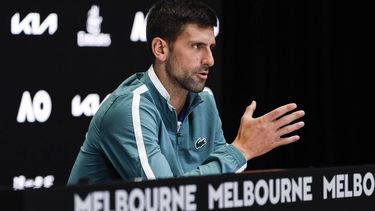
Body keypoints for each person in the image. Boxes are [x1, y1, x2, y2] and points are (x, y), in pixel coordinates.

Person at [67, 0, 305, 185]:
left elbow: (219, 187)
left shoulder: (205, 101)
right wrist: (242, 149)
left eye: (211, 47)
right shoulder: (130, 108)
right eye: (196, 46)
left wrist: (238, 153)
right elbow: (165, 197)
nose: (210, 60)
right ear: (161, 49)